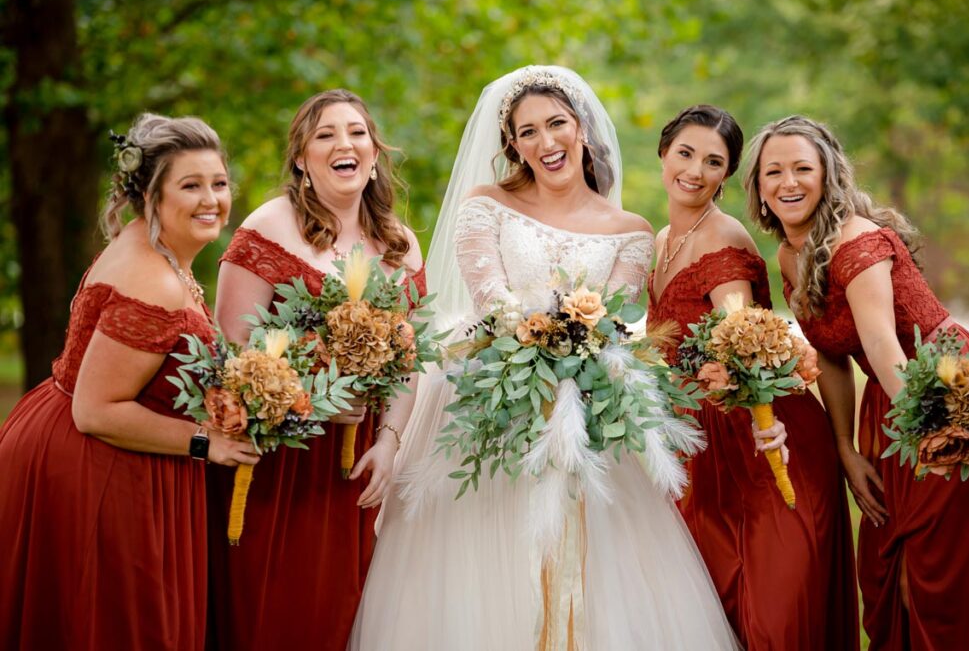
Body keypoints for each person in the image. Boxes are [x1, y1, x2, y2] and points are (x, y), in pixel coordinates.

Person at [349, 66, 740, 650]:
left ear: (581, 128)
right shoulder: (486, 205)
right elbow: (490, 299)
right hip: (488, 396)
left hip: (585, 408)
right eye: (527, 131)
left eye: (556, 124)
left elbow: (613, 319)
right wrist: (539, 342)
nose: (545, 141)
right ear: (512, 143)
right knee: (481, 568)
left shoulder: (631, 231)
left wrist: (576, 356)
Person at [745, 114, 969, 650]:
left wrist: (934, 435)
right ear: (758, 187)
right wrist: (844, 447)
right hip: (891, 400)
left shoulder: (858, 242)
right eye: (773, 172)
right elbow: (831, 355)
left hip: (948, 393)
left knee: (932, 574)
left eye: (802, 168)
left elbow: (881, 347)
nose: (788, 182)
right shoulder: (789, 254)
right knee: (886, 568)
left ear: (828, 176)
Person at [0, 114, 258, 650]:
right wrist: (206, 441)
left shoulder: (156, 248)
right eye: (190, 186)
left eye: (218, 183)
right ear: (151, 194)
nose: (211, 200)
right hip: (99, 465)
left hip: (83, 440)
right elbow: (96, 411)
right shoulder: (153, 279)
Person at [207, 89, 424, 650]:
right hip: (278, 459)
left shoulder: (400, 245)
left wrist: (390, 442)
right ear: (302, 159)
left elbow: (409, 358)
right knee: (271, 613)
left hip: (354, 464)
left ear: (373, 154)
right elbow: (230, 351)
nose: (343, 144)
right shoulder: (270, 226)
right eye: (324, 135)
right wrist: (315, 397)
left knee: (336, 614)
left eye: (356, 132)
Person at [646, 104, 858, 649]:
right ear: (663, 154)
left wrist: (769, 426)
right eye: (685, 153)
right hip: (703, 446)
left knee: (772, 617)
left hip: (764, 437)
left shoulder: (723, 238)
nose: (695, 171)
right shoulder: (662, 240)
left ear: (727, 174)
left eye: (713, 162)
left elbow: (745, 345)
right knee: (716, 615)